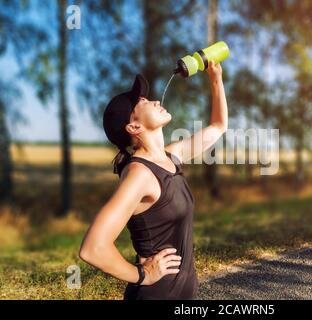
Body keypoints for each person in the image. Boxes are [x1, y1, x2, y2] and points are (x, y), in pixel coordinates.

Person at [79, 61, 228, 300]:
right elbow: (93, 248)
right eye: (144, 102)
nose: (156, 101)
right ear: (134, 126)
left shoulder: (170, 158)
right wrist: (141, 275)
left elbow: (219, 126)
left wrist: (215, 78)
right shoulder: (140, 175)